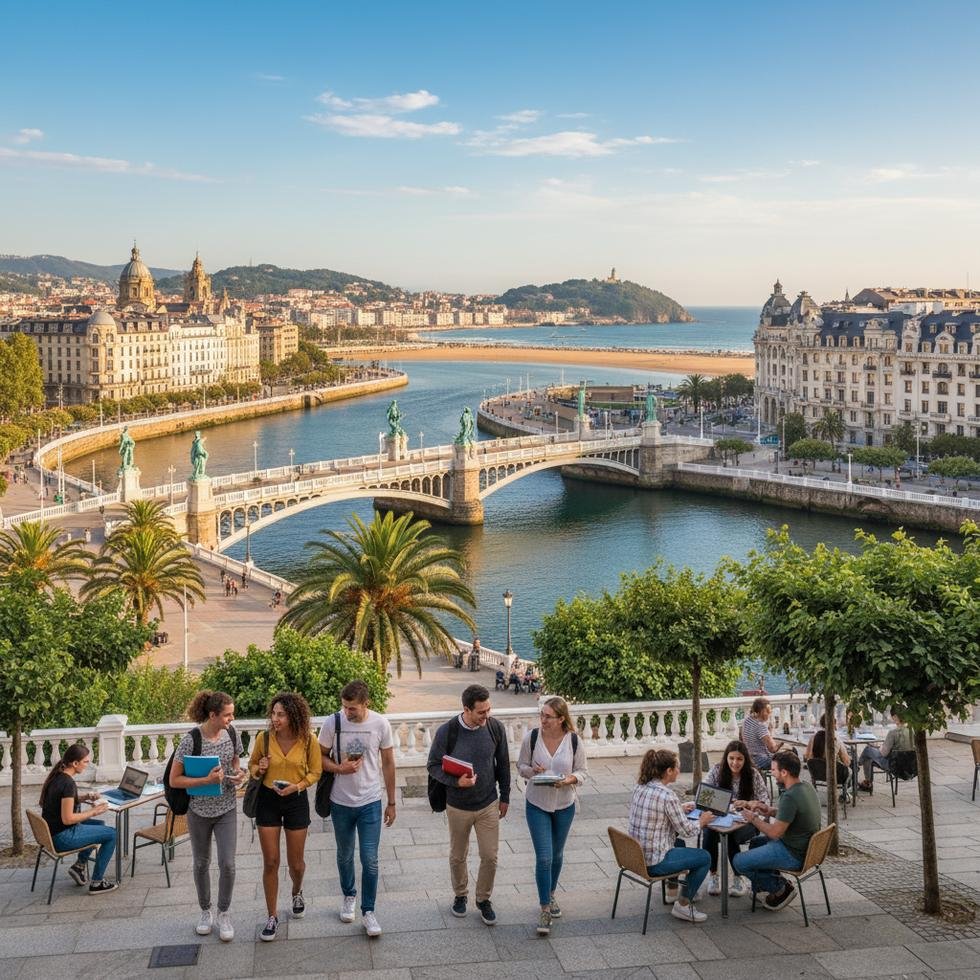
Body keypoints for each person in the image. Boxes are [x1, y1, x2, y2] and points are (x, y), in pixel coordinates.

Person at [427, 683, 510, 926]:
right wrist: (456, 781)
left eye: (489, 710)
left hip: (488, 804)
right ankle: (460, 895)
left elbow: (503, 764)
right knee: (457, 856)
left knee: (490, 856)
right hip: (458, 806)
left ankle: (483, 899)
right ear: (466, 709)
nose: (487, 716)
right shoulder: (447, 732)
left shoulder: (495, 728)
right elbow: (432, 765)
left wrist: (505, 796)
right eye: (481, 712)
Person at [319, 680, 397, 938]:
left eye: (352, 708)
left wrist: (392, 802)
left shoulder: (380, 724)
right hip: (340, 801)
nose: (347, 712)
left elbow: (388, 763)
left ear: (366, 704)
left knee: (370, 860)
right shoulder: (333, 723)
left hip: (370, 802)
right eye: (344, 707)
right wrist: (339, 768)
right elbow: (319, 757)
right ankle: (349, 895)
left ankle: (369, 911)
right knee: (344, 854)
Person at [170, 690, 247, 942]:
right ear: (212, 715)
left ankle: (223, 912)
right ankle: (205, 911)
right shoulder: (191, 740)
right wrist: (207, 779)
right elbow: (175, 779)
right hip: (199, 812)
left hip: (226, 809)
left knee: (228, 864)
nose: (231, 719)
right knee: (201, 863)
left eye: (232, 714)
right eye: (227, 715)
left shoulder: (232, 734)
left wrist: (238, 774)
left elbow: (235, 762)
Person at [250, 692, 322, 942]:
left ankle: (296, 890)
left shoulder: (308, 740)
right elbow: (251, 766)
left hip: (295, 800)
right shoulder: (264, 738)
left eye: (281, 714)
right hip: (268, 800)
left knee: (296, 863)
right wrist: (259, 769)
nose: (275, 718)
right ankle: (271, 916)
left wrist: (298, 786)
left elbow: (315, 772)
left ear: (293, 715)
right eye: (274, 713)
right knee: (271, 861)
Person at [517, 696, 588, 936]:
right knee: (544, 857)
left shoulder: (574, 741)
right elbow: (521, 766)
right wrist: (532, 771)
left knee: (557, 855)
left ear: (561, 719)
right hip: (537, 803)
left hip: (564, 804)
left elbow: (582, 772)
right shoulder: (532, 737)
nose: (543, 720)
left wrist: (570, 779)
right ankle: (545, 908)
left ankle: (552, 893)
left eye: (548, 716)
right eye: (542, 715)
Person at [627, 748, 714, 923]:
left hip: (635, 857)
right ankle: (683, 904)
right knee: (704, 857)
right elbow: (688, 830)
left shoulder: (640, 786)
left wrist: (680, 808)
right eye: (677, 768)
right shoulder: (668, 796)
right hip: (653, 863)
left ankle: (675, 889)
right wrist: (703, 821)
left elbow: (656, 811)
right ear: (668, 771)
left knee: (679, 843)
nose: (679, 771)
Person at [731, 750, 821, 910]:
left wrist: (753, 818)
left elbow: (774, 833)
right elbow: (791, 813)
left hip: (793, 853)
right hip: (806, 848)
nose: (772, 773)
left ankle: (780, 888)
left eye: (773, 770)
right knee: (756, 843)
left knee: (738, 861)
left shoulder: (789, 797)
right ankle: (764, 887)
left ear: (784, 772)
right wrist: (768, 809)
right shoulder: (805, 787)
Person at [39, 743, 118, 894]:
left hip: (53, 833)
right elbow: (68, 819)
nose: (87, 765)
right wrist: (94, 811)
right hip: (62, 837)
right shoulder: (68, 783)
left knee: (100, 825)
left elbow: (63, 802)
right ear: (75, 763)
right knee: (112, 834)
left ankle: (79, 866)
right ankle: (97, 882)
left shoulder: (57, 776)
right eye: (86, 762)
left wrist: (85, 797)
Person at [702, 739, 770, 898]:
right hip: (721, 819)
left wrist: (748, 803)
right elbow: (704, 793)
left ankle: (738, 878)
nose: (735, 762)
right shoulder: (717, 771)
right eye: (731, 758)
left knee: (729, 833)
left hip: (748, 822)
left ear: (745, 760)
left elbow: (765, 802)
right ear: (726, 758)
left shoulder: (753, 774)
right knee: (708, 830)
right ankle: (713, 875)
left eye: (739, 759)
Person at [858, 710, 914, 790]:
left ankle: (857, 765)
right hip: (909, 767)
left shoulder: (893, 732)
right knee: (869, 755)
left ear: (895, 717)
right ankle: (867, 782)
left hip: (894, 766)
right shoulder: (912, 731)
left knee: (868, 750)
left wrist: (878, 747)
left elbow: (883, 753)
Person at [804, 714, 851, 799]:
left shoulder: (813, 738)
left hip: (817, 774)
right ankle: (845, 794)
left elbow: (806, 757)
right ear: (833, 724)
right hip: (835, 774)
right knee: (851, 769)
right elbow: (846, 761)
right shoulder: (836, 739)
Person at [741, 698, 782, 770]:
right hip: (761, 761)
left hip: (749, 758)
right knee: (790, 755)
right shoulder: (760, 726)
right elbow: (773, 749)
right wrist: (782, 743)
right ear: (761, 712)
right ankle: (787, 780)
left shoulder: (747, 720)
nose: (770, 713)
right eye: (768, 711)